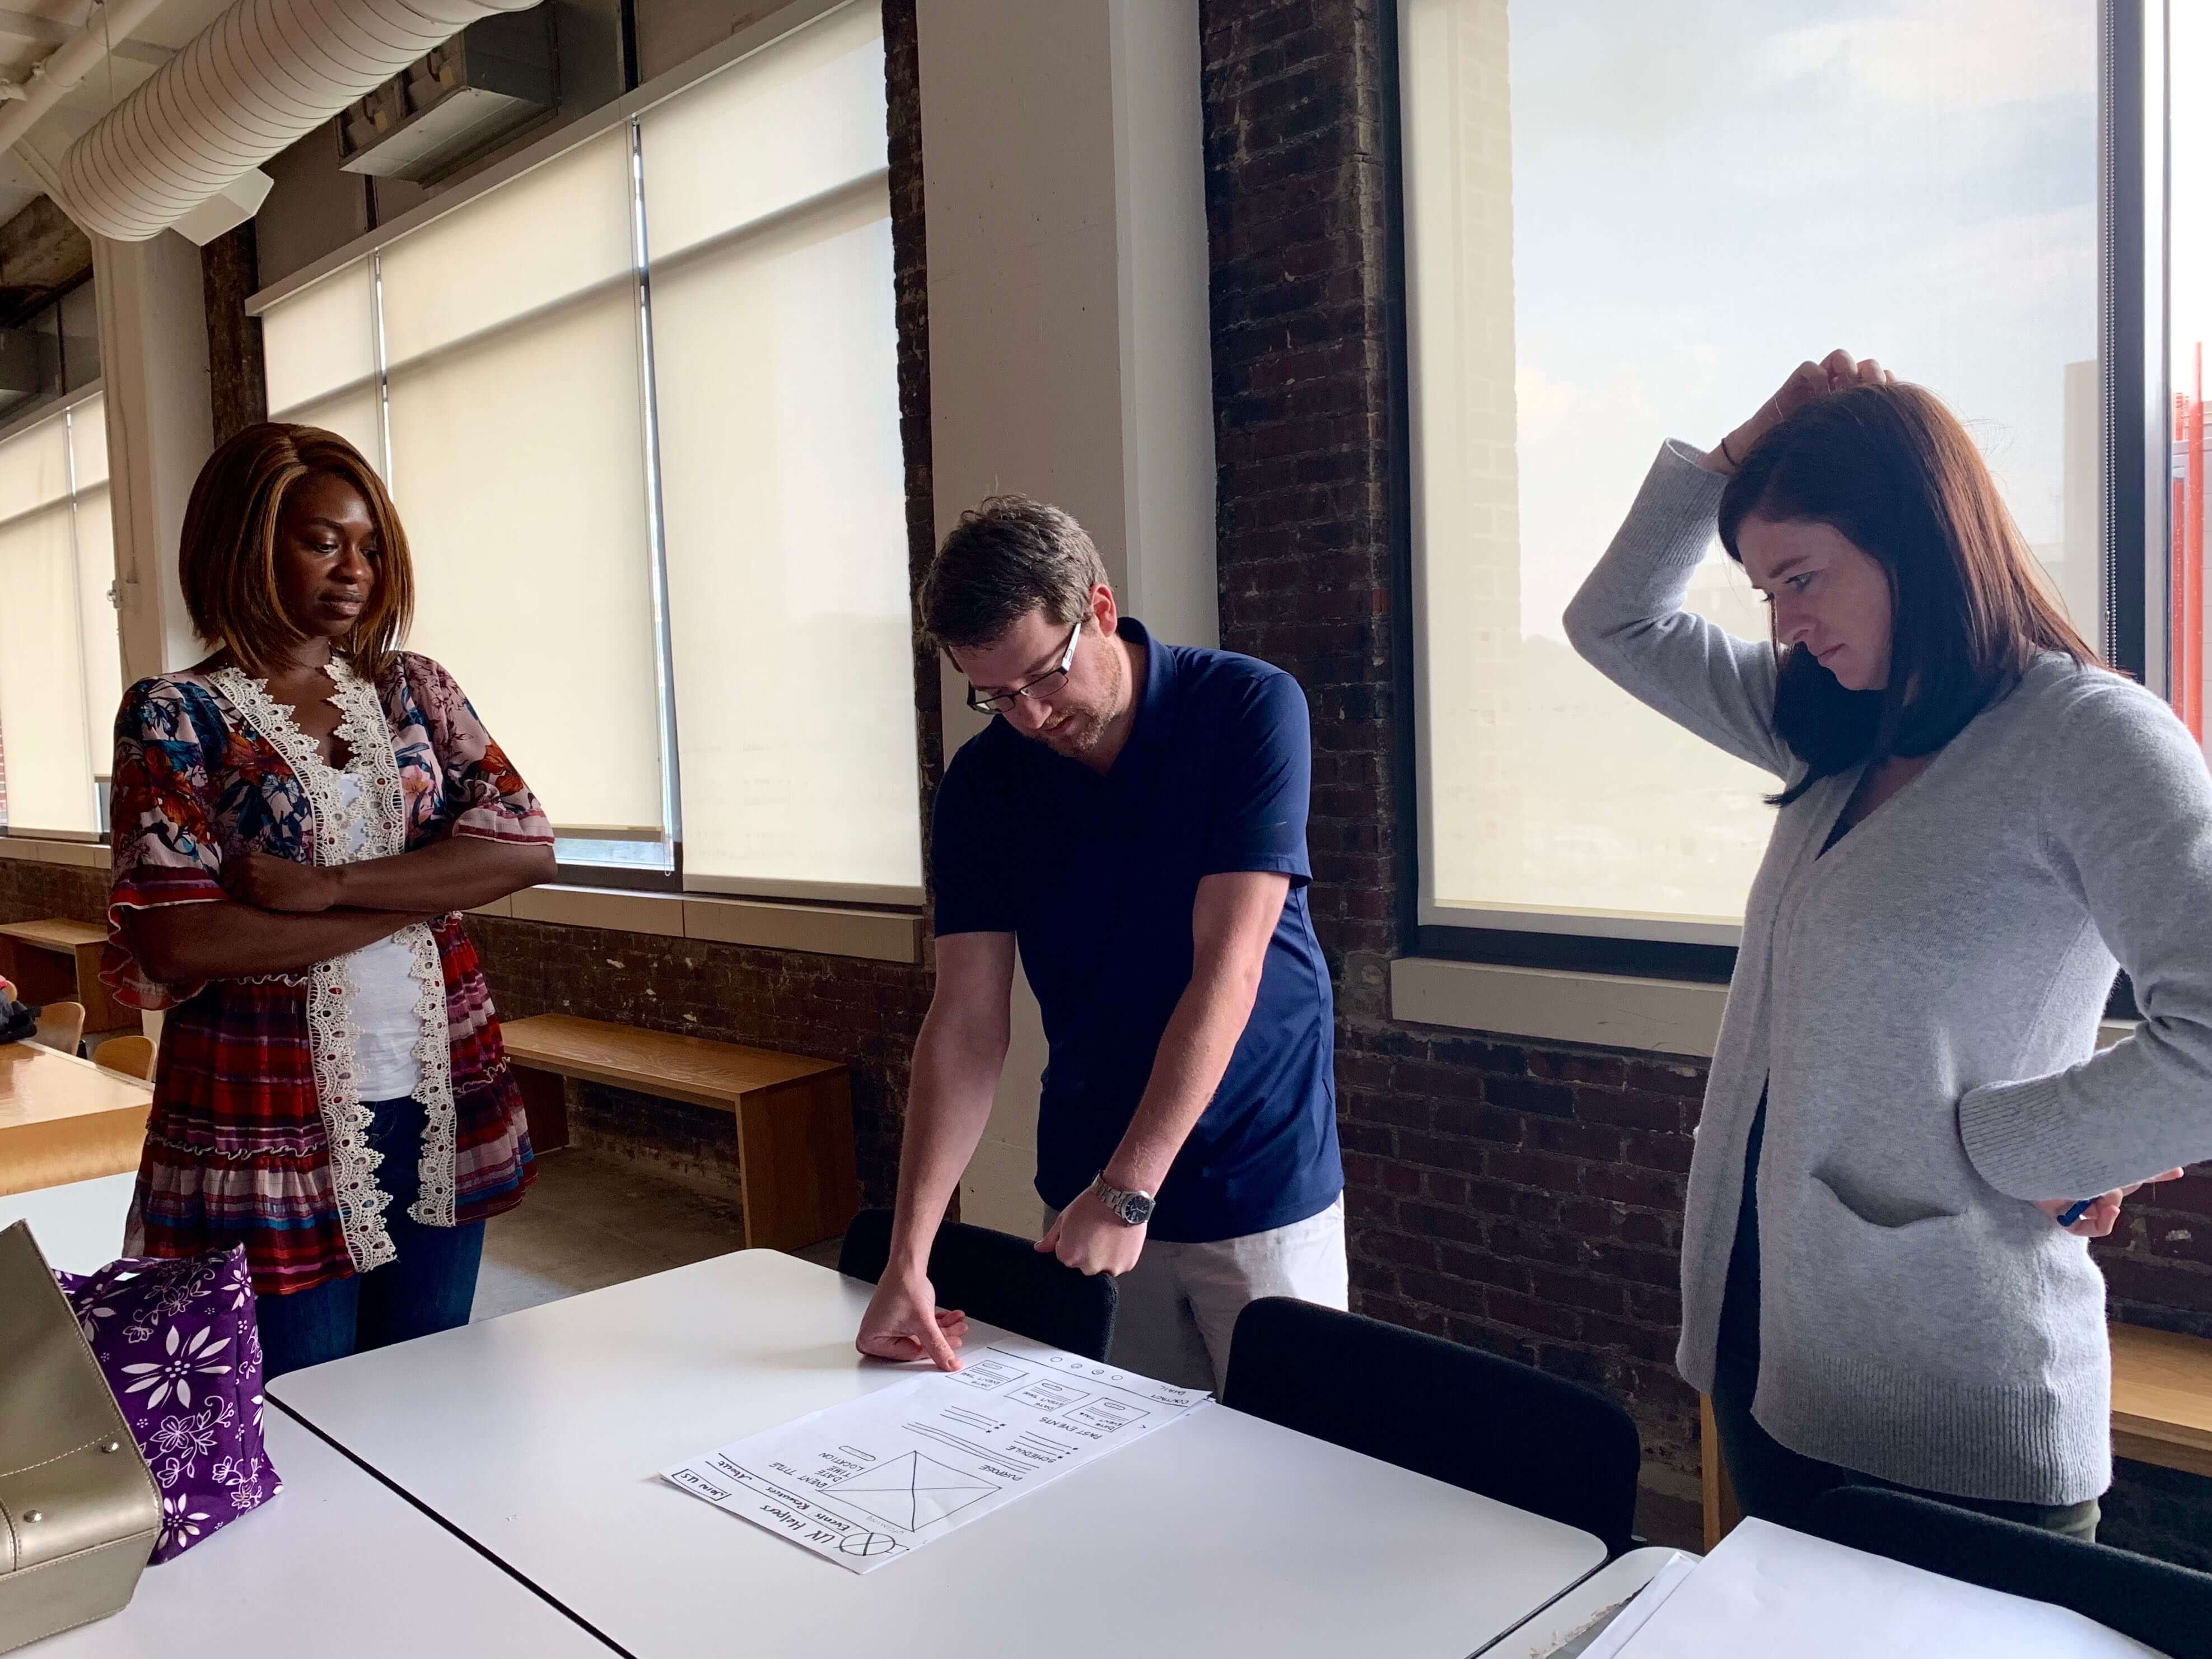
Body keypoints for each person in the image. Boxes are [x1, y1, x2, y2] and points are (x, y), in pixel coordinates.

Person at [1565, 349, 2210, 1537]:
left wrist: (2029, 1143)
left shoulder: (2094, 739)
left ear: (1918, 542)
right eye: (1765, 591)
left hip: (1959, 1391)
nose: (1786, 624)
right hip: (1772, 1344)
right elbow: (1613, 621)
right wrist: (1735, 456)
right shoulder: (1831, 731)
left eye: (1803, 577)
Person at [855, 495, 1345, 1390]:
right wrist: (909, 1256)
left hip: (1255, 1178)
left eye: (1044, 677)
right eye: (996, 695)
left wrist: (1128, 1189)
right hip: (1084, 1188)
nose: (1030, 716)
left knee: (1292, 1455)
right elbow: (965, 1022)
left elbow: (1228, 972)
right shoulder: (984, 783)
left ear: (1101, 610)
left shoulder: (1245, 706)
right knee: (1119, 1460)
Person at [103, 423, 556, 1380]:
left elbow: (522, 844)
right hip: (264, 1110)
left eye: (370, 546)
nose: (355, 570)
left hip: (440, 1087)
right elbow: (178, 937)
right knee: (299, 1403)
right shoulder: (176, 713)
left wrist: (326, 888)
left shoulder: (415, 690)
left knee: (427, 1385)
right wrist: (427, 889)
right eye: (322, 541)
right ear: (244, 544)